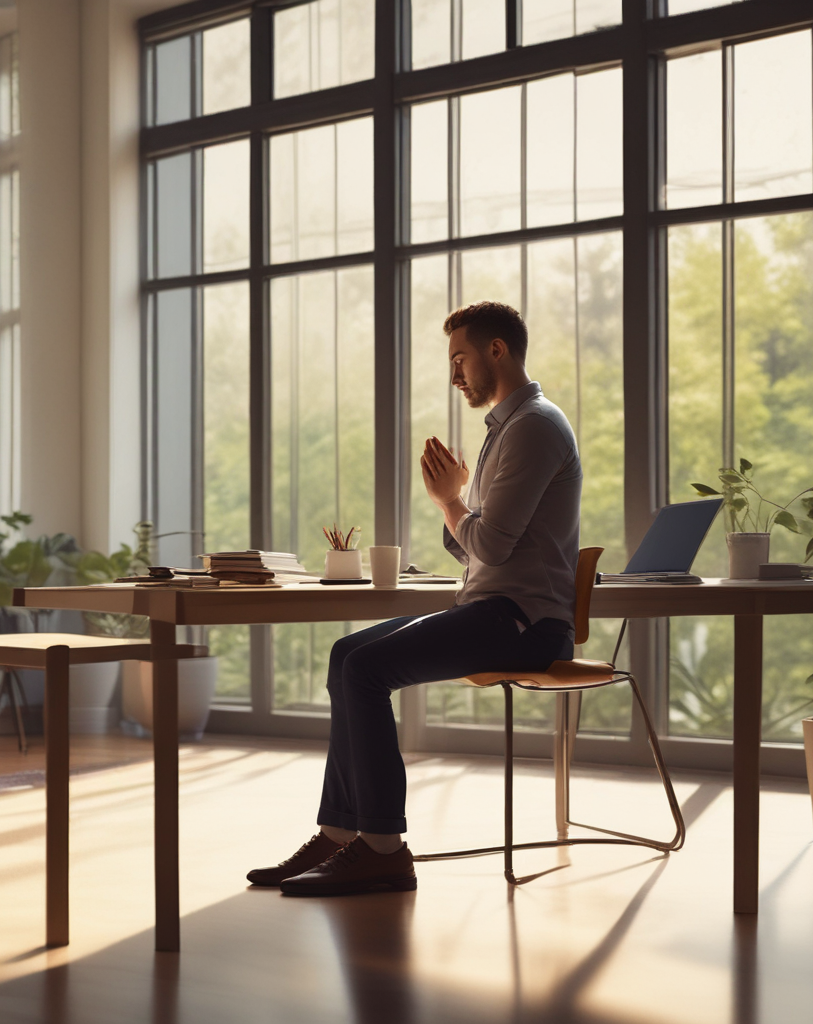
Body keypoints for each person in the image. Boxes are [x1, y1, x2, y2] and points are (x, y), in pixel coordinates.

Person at [247, 300, 582, 896]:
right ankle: (340, 830)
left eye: (461, 358)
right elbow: (478, 550)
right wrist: (457, 506)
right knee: (345, 655)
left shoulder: (534, 426)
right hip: (490, 611)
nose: (455, 374)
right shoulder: (506, 429)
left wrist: (450, 501)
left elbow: (494, 550)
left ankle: (382, 849)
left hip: (524, 624)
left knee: (368, 669)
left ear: (496, 350)